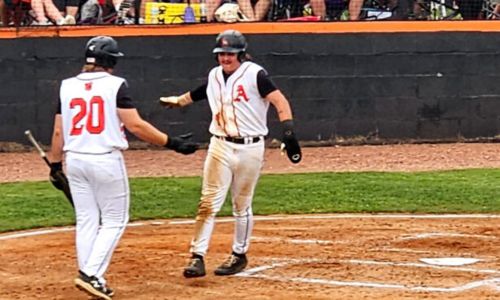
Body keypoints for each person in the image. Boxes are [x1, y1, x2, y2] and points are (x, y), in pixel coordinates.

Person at [48, 36, 198, 300]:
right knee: (116, 220)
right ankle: (91, 274)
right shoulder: (115, 85)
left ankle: (90, 273)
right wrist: (172, 143)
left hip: (76, 160)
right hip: (104, 159)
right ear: (111, 60)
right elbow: (135, 125)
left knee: (87, 220)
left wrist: (55, 164)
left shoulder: (66, 86)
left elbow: (59, 130)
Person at [159, 29, 302, 278]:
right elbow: (202, 91)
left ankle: (239, 254)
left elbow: (280, 101)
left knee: (241, 204)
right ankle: (197, 256)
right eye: (221, 54)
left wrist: (288, 131)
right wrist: (179, 101)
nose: (225, 58)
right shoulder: (215, 75)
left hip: (250, 148)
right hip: (220, 145)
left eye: (230, 54)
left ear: (241, 54)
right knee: (208, 202)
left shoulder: (255, 74)